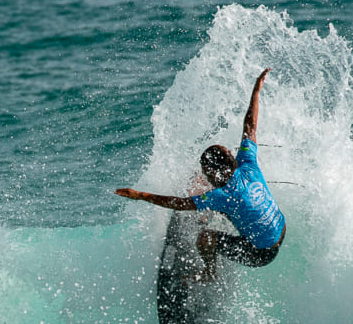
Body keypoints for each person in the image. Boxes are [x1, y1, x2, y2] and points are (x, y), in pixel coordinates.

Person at [114, 68, 286, 282]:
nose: (205, 176)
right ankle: (215, 217)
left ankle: (209, 273)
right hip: (281, 228)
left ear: (217, 171)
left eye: (206, 172)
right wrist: (256, 91)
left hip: (263, 253)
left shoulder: (222, 195)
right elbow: (250, 126)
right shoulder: (247, 163)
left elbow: (179, 203)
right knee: (225, 205)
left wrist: (141, 195)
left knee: (206, 237)